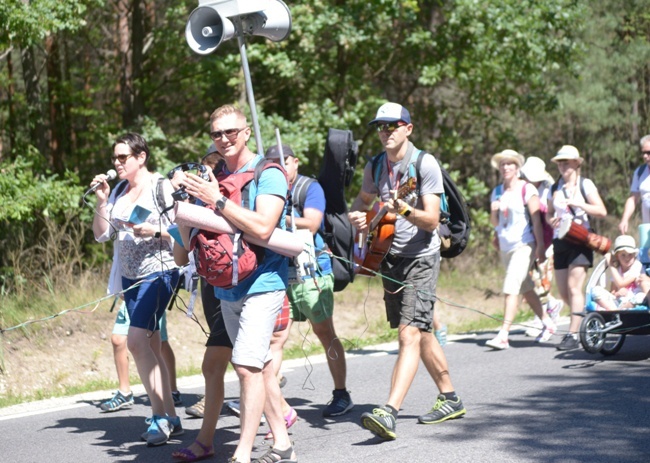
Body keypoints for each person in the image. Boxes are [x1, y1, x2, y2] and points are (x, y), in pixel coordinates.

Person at [176, 105, 296, 463]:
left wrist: (216, 200)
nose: (224, 139)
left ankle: (242, 453)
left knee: (244, 366)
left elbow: (262, 228)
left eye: (231, 132)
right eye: (217, 134)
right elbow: (182, 256)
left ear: (246, 132)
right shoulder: (207, 177)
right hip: (225, 287)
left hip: (265, 281)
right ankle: (283, 444)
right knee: (256, 366)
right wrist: (185, 210)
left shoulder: (267, 172)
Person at [348, 102, 465, 441]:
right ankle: (450, 398)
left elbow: (430, 220)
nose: (385, 131)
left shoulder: (424, 164)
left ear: (408, 128)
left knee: (408, 334)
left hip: (421, 259)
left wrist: (403, 208)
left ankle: (389, 411)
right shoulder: (375, 165)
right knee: (423, 331)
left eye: (392, 125)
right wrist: (359, 217)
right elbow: (362, 203)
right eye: (380, 126)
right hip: (388, 257)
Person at [91, 132, 182, 446]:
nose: (116, 163)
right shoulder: (117, 189)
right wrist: (103, 201)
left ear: (141, 157)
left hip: (159, 273)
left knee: (135, 342)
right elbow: (102, 235)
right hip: (129, 278)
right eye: (114, 158)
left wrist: (155, 230)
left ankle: (158, 417)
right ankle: (170, 414)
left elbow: (184, 232)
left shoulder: (161, 187)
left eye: (122, 157)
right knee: (152, 346)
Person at [265, 143, 353, 422]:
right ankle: (270, 396)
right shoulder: (268, 187)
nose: (281, 167)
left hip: (312, 271)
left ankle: (341, 393)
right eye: (273, 163)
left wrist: (276, 217)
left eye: (285, 161)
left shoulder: (309, 188)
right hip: (279, 271)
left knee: (324, 332)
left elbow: (313, 223)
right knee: (274, 338)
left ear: (296, 162)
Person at [486, 150, 558, 349]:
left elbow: (536, 221)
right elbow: (495, 222)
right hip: (505, 246)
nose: (506, 167)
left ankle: (503, 334)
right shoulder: (497, 192)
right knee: (526, 287)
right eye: (503, 164)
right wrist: (494, 211)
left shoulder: (527, 189)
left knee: (511, 286)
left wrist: (541, 247)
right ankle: (547, 322)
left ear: (517, 168)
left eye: (510, 164)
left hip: (524, 244)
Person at [546, 145, 607, 351]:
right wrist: (551, 220)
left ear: (576, 163)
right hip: (560, 240)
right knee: (564, 292)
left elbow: (601, 210)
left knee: (574, 288)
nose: (563, 166)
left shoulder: (585, 184)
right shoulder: (554, 188)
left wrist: (579, 204)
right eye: (560, 162)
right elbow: (548, 213)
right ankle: (585, 319)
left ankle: (573, 335)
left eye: (567, 162)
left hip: (581, 240)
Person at [100, 299, 183, 412]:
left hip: (152, 291)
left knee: (158, 343)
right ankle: (124, 392)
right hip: (131, 294)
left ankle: (171, 391)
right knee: (117, 340)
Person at [519, 156, 563, 338]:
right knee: (531, 278)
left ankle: (545, 314)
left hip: (548, 240)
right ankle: (549, 307)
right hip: (533, 239)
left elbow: (546, 219)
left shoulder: (547, 191)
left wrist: (543, 246)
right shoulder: (525, 189)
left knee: (541, 278)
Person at [591, 235, 645, 311]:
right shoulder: (618, 269)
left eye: (630, 255)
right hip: (619, 301)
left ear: (634, 255)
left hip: (633, 300)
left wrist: (611, 265)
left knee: (641, 296)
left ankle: (616, 312)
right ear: (617, 256)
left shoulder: (637, 265)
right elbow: (613, 291)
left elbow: (621, 283)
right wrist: (617, 294)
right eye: (623, 255)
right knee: (595, 290)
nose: (627, 258)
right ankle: (615, 311)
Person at [618, 135, 650, 234]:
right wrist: (624, 219)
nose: (645, 156)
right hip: (647, 228)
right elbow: (633, 198)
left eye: (649, 153)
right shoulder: (639, 172)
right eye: (643, 153)